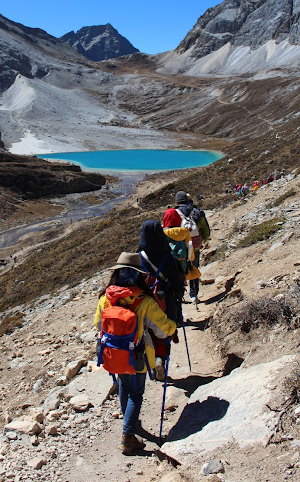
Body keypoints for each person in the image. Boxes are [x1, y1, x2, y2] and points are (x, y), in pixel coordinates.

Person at [94, 252, 176, 454]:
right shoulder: (144, 300)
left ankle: (129, 420)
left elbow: (98, 323)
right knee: (137, 393)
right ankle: (128, 435)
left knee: (123, 383)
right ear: (137, 275)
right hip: (137, 354)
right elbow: (162, 328)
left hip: (113, 353)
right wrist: (173, 327)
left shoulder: (106, 298)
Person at [137, 220, 185, 379]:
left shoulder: (139, 258)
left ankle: (151, 365)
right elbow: (178, 281)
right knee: (165, 331)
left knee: (147, 333)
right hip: (166, 301)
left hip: (144, 302)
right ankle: (161, 360)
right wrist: (178, 298)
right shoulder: (168, 257)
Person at [163, 191, 210, 304]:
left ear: (177, 201)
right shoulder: (198, 212)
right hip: (194, 247)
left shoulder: (174, 213)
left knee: (178, 272)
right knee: (193, 269)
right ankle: (194, 295)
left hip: (179, 249)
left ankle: (179, 295)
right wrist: (200, 241)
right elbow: (206, 232)